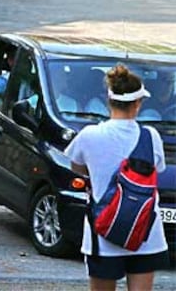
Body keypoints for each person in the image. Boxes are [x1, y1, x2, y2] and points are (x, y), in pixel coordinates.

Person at [64, 64, 169, 291]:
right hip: (145, 233)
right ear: (138, 103)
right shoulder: (151, 136)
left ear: (108, 100)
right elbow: (157, 168)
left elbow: (76, 166)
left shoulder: (89, 136)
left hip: (103, 233)